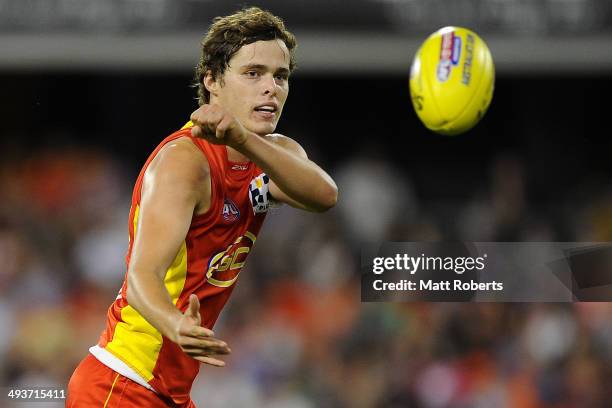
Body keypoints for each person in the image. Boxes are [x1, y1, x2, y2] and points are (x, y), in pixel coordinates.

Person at [66, 7, 337, 407]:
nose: (271, 88)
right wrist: (175, 323)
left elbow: (325, 196)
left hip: (170, 393)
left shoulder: (272, 152)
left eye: (280, 76)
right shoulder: (184, 162)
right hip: (121, 383)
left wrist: (244, 139)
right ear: (212, 80)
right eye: (253, 73)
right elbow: (142, 276)